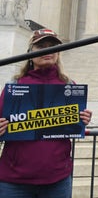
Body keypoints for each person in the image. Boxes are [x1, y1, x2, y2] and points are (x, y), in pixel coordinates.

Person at [0, 29, 93, 198]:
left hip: (57, 180)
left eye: (53, 46)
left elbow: (72, 127)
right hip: (15, 182)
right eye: (41, 46)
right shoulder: (14, 85)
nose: (48, 50)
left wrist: (82, 120)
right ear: (30, 53)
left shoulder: (70, 86)